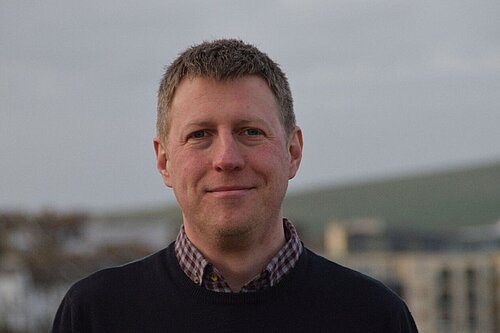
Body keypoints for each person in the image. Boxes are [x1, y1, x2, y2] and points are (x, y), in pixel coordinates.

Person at [52, 39, 418, 332]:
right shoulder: (95, 314)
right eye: (200, 135)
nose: (226, 158)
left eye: (250, 132)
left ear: (293, 151)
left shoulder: (375, 317)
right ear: (164, 160)